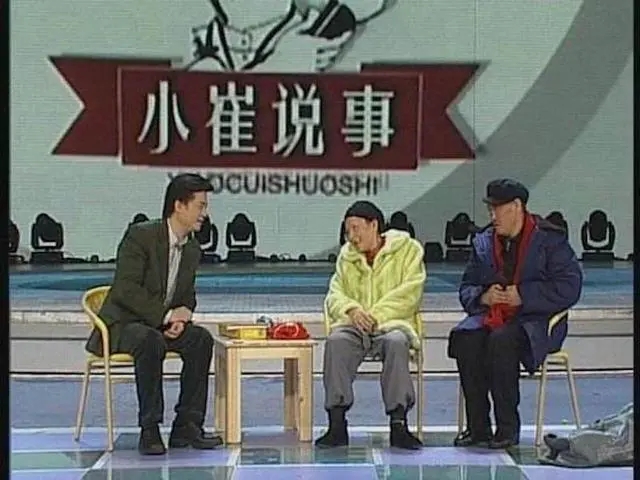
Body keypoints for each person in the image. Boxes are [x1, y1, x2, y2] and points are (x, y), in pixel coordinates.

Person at [85, 173, 222, 455]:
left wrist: (181, 317)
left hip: (158, 324)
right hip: (124, 324)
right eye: (200, 206)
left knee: (200, 340)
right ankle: (150, 428)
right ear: (179, 206)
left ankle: (187, 425)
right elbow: (125, 289)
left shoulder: (192, 248)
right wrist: (165, 316)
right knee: (150, 340)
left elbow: (187, 295)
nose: (204, 214)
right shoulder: (141, 236)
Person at [447, 179, 583, 449]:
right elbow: (467, 286)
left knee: (501, 340)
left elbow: (570, 287)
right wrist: (483, 297)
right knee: (466, 337)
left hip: (536, 321)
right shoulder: (484, 242)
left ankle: (507, 427)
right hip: (492, 316)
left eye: (497, 209)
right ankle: (478, 427)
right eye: (490, 209)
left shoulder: (549, 240)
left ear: (517, 207)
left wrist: (523, 295)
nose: (492, 216)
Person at [315, 201, 425, 450]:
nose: (351, 237)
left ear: (374, 225)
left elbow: (410, 292)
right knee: (336, 342)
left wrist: (375, 315)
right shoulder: (347, 256)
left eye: (356, 229)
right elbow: (334, 294)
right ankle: (336, 423)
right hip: (355, 326)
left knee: (397, 342)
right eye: (347, 231)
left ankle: (399, 424)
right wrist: (351, 309)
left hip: (392, 323)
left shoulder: (408, 250)